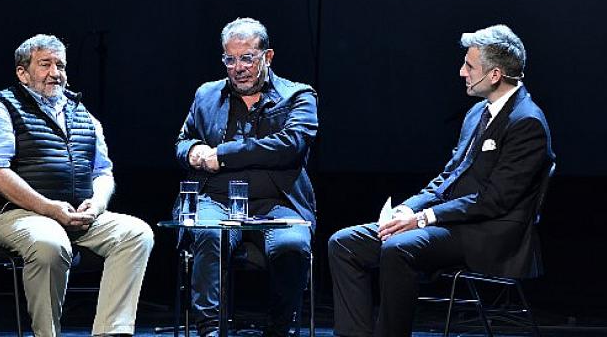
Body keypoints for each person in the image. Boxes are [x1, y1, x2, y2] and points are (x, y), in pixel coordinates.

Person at [328, 24, 554, 337]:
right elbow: (449, 176)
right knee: (344, 244)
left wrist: (423, 219)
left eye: (469, 66)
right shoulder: (477, 113)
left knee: (398, 248)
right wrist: (407, 210)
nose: (462, 72)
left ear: (495, 74)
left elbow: (494, 200)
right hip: (450, 223)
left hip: (486, 235)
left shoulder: (526, 122)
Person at [0, 34, 154, 337]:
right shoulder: (1, 109)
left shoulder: (83, 115)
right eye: (45, 64)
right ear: (22, 73)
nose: (56, 72)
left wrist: (98, 204)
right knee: (50, 241)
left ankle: (111, 332)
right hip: (10, 214)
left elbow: (103, 171)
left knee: (137, 234)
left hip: (74, 214)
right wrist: (48, 208)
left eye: (61, 65)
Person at [174, 17, 318, 337]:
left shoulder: (299, 97)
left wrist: (221, 155)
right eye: (230, 59)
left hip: (279, 203)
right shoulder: (207, 95)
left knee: (292, 244)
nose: (238, 67)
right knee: (209, 232)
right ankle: (210, 330)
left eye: (247, 58)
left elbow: (288, 146)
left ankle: (281, 330)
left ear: (267, 57)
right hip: (217, 198)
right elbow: (182, 141)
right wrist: (194, 150)